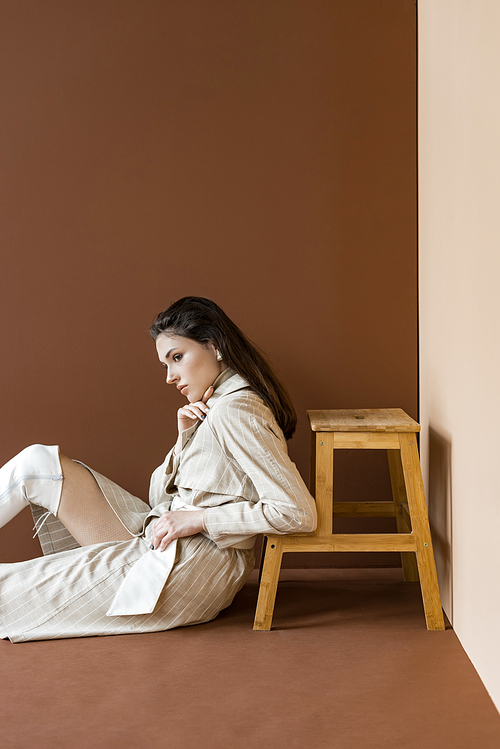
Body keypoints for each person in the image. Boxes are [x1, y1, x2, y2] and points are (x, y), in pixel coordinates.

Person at [0, 297, 317, 642]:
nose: (170, 377)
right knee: (37, 463)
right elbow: (158, 501)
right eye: (165, 364)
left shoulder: (237, 410)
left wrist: (198, 519)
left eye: (177, 358)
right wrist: (185, 438)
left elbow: (297, 512)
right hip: (156, 536)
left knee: (8, 591)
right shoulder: (212, 407)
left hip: (191, 564)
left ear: (214, 346)